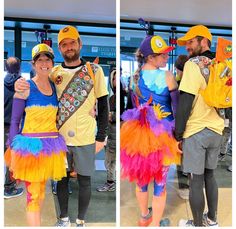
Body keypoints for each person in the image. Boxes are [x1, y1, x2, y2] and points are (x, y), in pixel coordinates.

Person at [15, 25, 109, 227]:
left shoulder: (95, 71)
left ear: (80, 43)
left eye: (72, 42)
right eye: (64, 44)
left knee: (84, 180)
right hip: (59, 140)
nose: (69, 47)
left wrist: (102, 136)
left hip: (85, 137)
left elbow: (103, 104)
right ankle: (64, 218)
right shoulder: (54, 73)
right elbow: (37, 85)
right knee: (62, 181)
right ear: (59, 49)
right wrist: (16, 84)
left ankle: (81, 220)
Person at [120, 35, 181, 226]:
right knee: (160, 182)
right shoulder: (167, 76)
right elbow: (177, 109)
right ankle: (155, 224)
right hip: (164, 135)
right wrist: (180, 136)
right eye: (161, 55)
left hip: (138, 135)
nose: (165, 58)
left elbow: (130, 107)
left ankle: (144, 216)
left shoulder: (134, 78)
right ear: (150, 57)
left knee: (142, 179)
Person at [5, 44, 67, 226]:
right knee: (33, 195)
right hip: (30, 148)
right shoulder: (25, 86)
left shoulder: (56, 87)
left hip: (51, 148)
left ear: (52, 62)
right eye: (40, 60)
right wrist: (14, 149)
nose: (44, 63)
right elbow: (15, 121)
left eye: (47, 59)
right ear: (33, 63)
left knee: (41, 193)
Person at [174, 25, 224, 227]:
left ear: (204, 41)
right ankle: (212, 220)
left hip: (197, 130)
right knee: (210, 176)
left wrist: (178, 133)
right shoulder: (223, 64)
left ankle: (196, 224)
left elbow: (186, 100)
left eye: (191, 42)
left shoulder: (193, 64)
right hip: (217, 129)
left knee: (196, 178)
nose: (187, 47)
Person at [4, 57, 24, 199]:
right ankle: (9, 188)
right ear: (19, 67)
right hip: (14, 127)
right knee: (11, 157)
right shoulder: (22, 83)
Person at [97, 68, 116, 192]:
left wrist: (111, 115)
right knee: (110, 159)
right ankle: (111, 181)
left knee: (110, 160)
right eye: (113, 78)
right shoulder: (111, 98)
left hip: (116, 134)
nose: (115, 81)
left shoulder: (120, 95)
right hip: (110, 134)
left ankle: (111, 182)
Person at [174, 55, 190, 200]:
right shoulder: (179, 81)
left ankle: (185, 180)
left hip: (183, 121)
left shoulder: (180, 82)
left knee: (182, 148)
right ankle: (185, 173)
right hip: (187, 121)